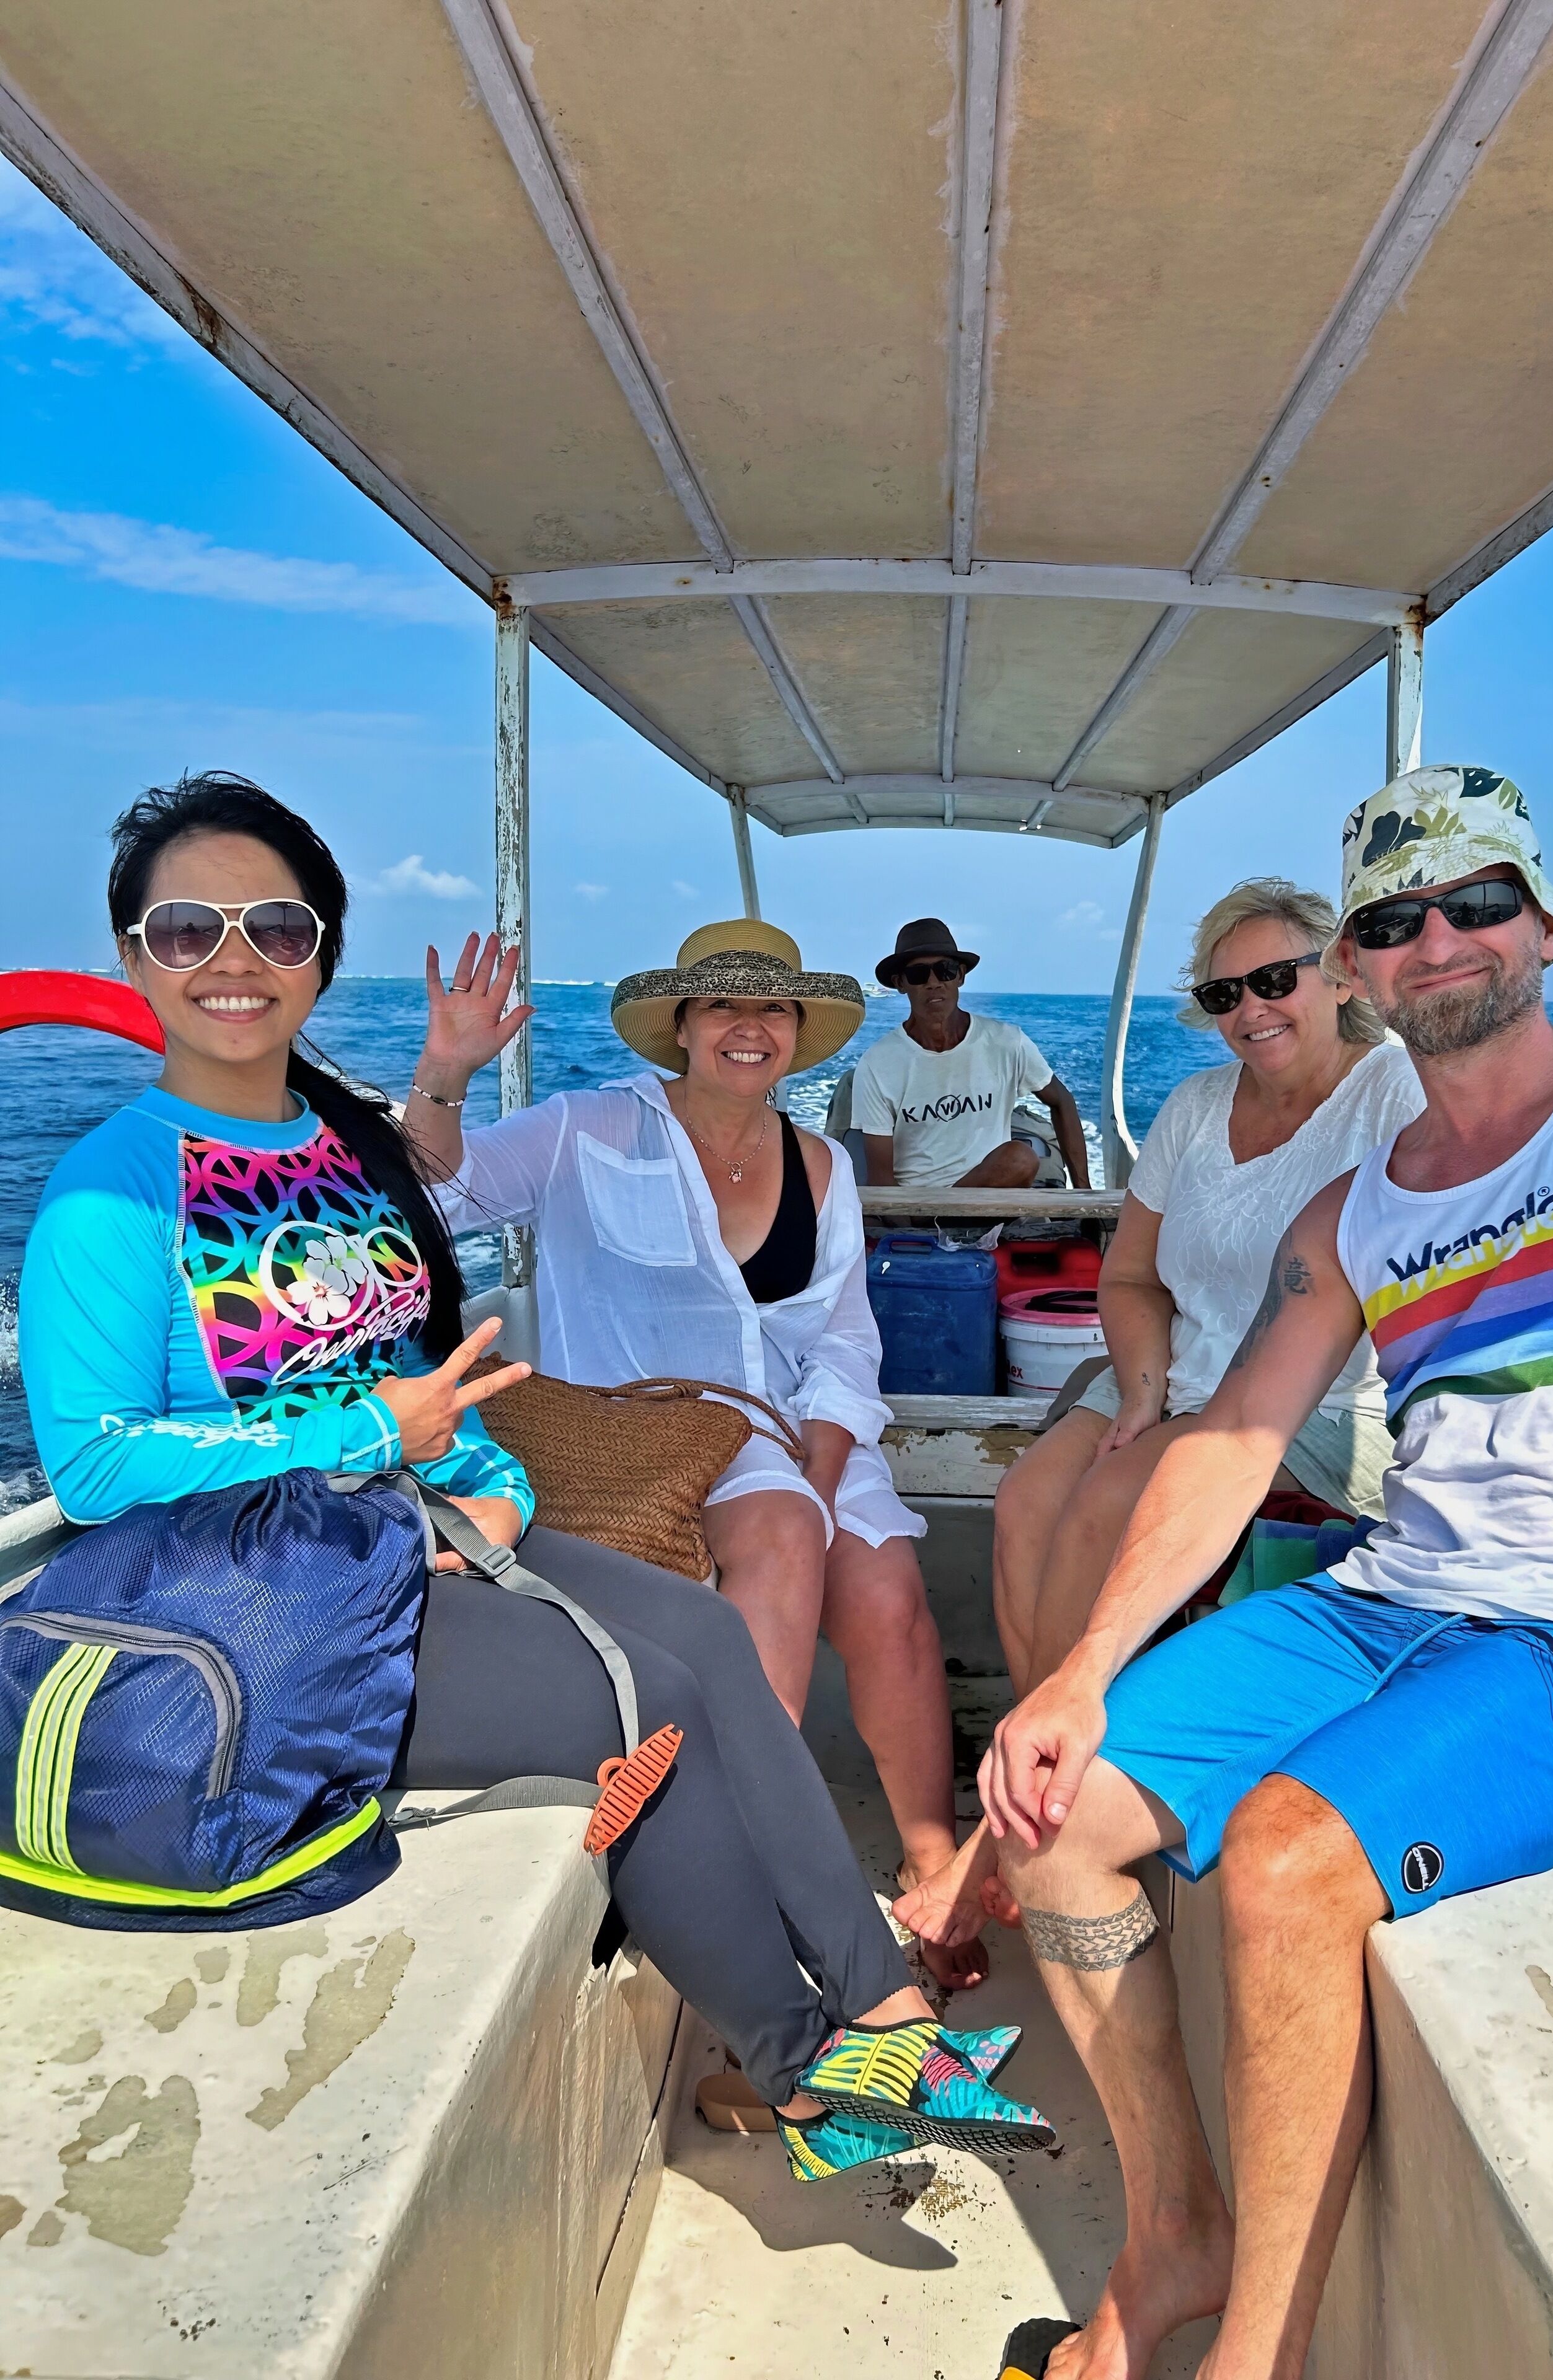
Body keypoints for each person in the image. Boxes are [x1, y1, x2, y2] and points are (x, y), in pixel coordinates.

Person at [18, 773, 1051, 2183]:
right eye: (188, 926)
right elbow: (89, 1465)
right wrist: (369, 1437)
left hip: (406, 1535)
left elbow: (422, 1355)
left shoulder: (332, 1159)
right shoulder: (110, 1185)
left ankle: (875, 2013)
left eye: (277, 922)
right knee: (658, 1695)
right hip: (250, 1598)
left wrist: (486, 1476)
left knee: (702, 1643)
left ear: (320, 951)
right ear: (137, 955)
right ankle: (822, 2061)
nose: (237, 956)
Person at [979, 764, 1553, 2379]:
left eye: (1478, 901)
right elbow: (1228, 1441)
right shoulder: (1364, 1209)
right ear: (1355, 964)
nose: (1440, 940)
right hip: (1393, 1600)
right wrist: (1077, 1675)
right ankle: (1176, 2232)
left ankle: (1248, 2362)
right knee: (1047, 1813)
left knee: (1282, 1863)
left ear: (1546, 923)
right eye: (1394, 918)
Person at [404, 917, 990, 1990]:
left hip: (797, 1429)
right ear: (680, 1026)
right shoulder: (586, 1127)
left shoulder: (820, 1164)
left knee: (889, 1594)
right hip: (637, 1436)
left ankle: (932, 1861)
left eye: (772, 1008)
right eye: (723, 1005)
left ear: (800, 1033)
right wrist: (446, 1072)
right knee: (776, 1548)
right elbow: (442, 1195)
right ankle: (738, 1853)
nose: (750, 1027)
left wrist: (818, 1470)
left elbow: (844, 1339)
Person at [895, 878, 1423, 1958]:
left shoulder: (1394, 1097)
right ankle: (1037, 1787)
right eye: (1227, 991)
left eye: (1277, 980)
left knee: (1098, 1509)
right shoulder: (1194, 1110)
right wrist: (1138, 1388)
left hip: (1320, 1399)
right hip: (1169, 1374)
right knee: (1028, 1501)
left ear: (1337, 978)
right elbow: (1131, 1278)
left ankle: (1017, 1830)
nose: (1251, 1009)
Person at [853, 917, 1091, 1190]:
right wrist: (910, 1228)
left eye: (945, 970)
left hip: (989, 1200)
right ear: (900, 983)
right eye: (919, 975)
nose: (934, 983)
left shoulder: (1007, 1042)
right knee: (1019, 1159)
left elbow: (1062, 1100)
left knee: (1019, 1159)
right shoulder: (877, 1064)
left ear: (960, 976)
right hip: (917, 1210)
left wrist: (1084, 1195)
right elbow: (881, 1179)